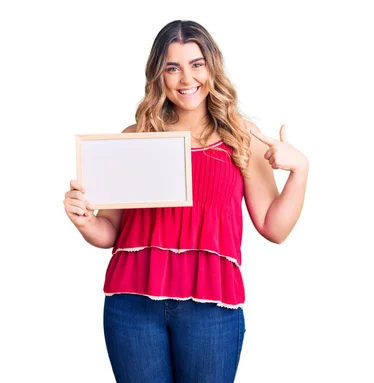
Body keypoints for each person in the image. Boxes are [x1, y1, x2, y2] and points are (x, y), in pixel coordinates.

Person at [63, 20, 308, 383]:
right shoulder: (137, 137)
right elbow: (110, 231)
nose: (185, 78)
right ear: (158, 75)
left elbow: (275, 228)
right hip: (132, 306)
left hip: (211, 307)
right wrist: (85, 220)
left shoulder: (244, 139)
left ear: (212, 67)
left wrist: (300, 169)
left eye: (196, 64)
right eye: (172, 67)